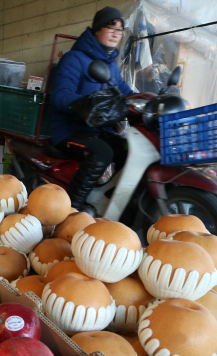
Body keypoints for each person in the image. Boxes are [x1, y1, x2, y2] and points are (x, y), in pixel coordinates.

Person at [51, 6, 133, 210]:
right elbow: (60, 95)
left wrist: (149, 100)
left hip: (97, 131)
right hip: (70, 132)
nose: (116, 33)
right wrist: (86, 104)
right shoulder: (74, 59)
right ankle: (72, 209)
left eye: (120, 29)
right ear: (97, 29)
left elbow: (125, 91)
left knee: (128, 150)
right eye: (111, 26)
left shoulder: (111, 65)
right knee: (102, 152)